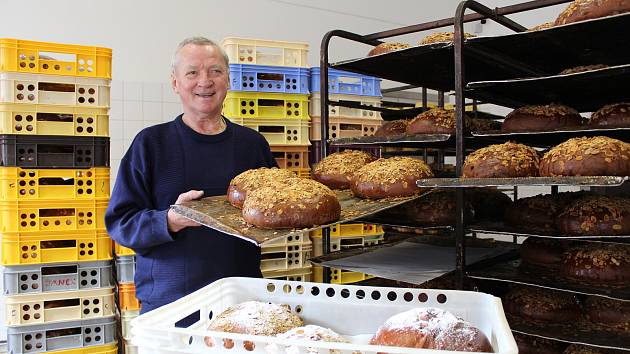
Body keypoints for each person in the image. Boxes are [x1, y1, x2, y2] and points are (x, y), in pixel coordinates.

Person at [105, 37, 277, 314]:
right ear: (175, 83)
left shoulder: (252, 144)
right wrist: (170, 220)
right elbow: (120, 223)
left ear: (228, 80)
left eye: (215, 71)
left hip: (242, 299)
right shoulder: (150, 144)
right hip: (170, 306)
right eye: (192, 72)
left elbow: (274, 209)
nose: (204, 81)